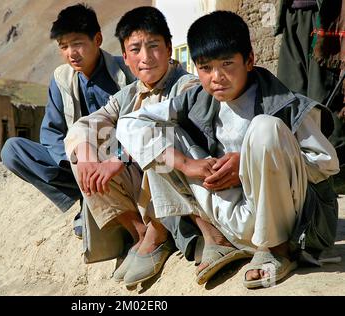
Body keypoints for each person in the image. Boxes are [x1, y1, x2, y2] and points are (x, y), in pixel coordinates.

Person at [117, 10, 340, 289]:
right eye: (205, 68)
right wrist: (187, 164)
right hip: (232, 219)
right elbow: (128, 124)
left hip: (291, 225)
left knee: (265, 129)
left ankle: (276, 250)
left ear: (249, 61)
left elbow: (327, 163)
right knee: (158, 134)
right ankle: (219, 240)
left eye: (227, 64)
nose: (216, 77)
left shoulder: (285, 103)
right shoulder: (197, 99)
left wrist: (250, 166)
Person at [64, 6, 200, 287]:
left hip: (187, 195)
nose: (146, 58)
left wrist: (118, 156)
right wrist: (89, 156)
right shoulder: (128, 94)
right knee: (83, 153)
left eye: (153, 47)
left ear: (169, 47)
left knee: (158, 143)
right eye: (136, 49)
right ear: (125, 57)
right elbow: (85, 125)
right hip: (146, 195)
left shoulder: (187, 86)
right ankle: (142, 233)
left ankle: (161, 233)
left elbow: (162, 130)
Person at [0, 3, 134, 238]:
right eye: (64, 46)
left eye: (78, 43)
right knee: (13, 150)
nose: (71, 52)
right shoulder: (61, 78)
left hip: (119, 159)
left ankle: (105, 199)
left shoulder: (124, 73)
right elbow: (51, 132)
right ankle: (86, 195)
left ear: (98, 39)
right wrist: (75, 161)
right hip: (78, 161)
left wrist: (109, 158)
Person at [276, 0, 345, 164]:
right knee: (290, 95)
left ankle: (335, 167)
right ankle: (299, 165)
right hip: (293, 13)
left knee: (323, 100)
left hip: (328, 17)